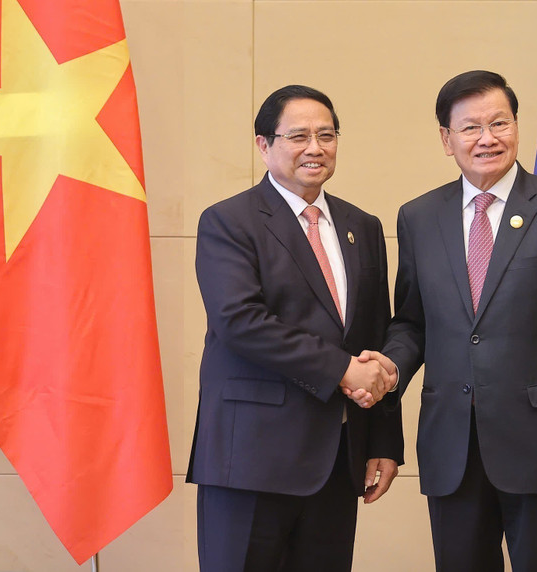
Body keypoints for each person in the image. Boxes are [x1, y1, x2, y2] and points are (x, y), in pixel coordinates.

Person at [365, 70, 537, 571]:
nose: (487, 138)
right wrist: (389, 367)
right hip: (451, 447)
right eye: (470, 127)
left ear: (516, 127)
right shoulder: (418, 217)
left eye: (499, 123)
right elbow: (412, 322)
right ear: (446, 139)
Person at [186, 85, 403, 572]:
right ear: (264, 145)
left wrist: (384, 441)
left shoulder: (361, 226)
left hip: (337, 461)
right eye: (298, 136)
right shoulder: (229, 221)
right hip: (250, 459)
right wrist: (342, 369)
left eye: (326, 135)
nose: (315, 148)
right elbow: (241, 322)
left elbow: (374, 336)